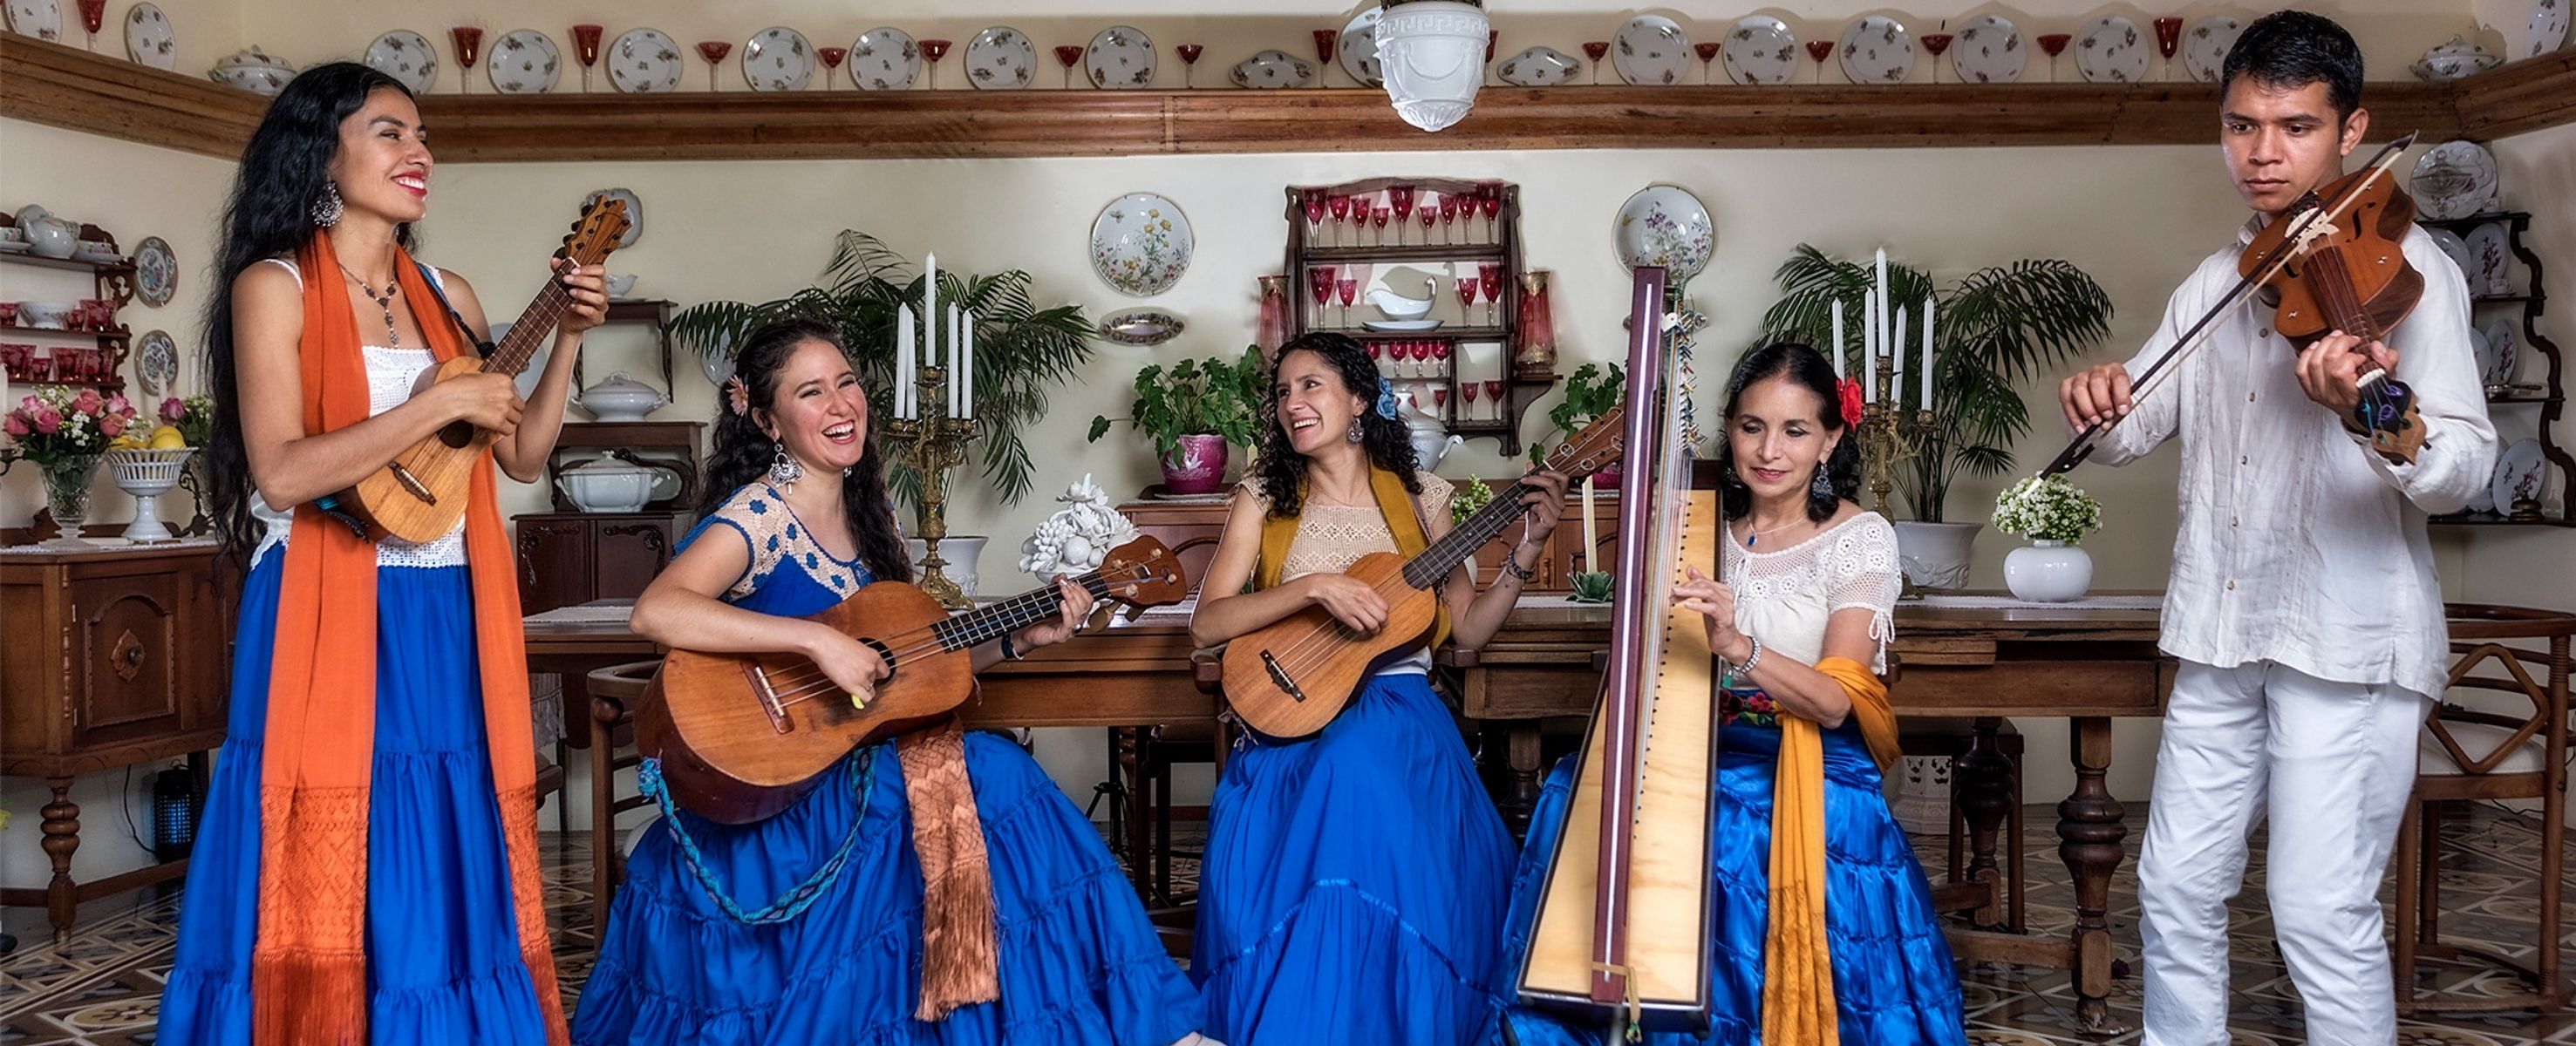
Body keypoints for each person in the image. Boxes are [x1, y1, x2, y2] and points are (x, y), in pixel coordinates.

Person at [572, 319, 1206, 1046]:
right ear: (766, 417)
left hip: (852, 764)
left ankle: (1119, 1014)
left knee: (995, 772)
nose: (842, 404)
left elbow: (909, 675)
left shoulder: (873, 523)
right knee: (996, 771)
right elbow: (658, 610)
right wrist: (813, 641)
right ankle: (1152, 1024)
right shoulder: (758, 514)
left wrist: (1021, 636)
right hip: (787, 790)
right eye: (812, 392)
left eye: (848, 383)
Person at [2054, 12, 2496, 1045]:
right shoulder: (2222, 279)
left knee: (2318, 913)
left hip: (2345, 644)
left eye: (2295, 127)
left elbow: (2465, 468)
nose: (2262, 153)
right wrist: (2102, 402)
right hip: (2218, 633)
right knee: (2171, 890)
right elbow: (2140, 427)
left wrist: (2368, 410)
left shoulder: (2412, 276)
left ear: (2353, 131)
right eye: (2242, 125)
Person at [160, 62, 607, 1043]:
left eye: (422, 136)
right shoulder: (271, 287)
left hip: (445, 600)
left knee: (445, 815)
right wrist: (437, 403)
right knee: (335, 814)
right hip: (326, 604)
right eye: (391, 133)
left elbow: (525, 457)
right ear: (322, 149)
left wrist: (567, 342)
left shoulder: (451, 295)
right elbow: (281, 472)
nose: (420, 154)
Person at [1492, 343, 1966, 1046]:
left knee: (1727, 822)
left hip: (1808, 755)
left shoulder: (1860, 540)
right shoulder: (1699, 527)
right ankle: (1602, 1011)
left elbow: (1837, 703)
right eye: (1751, 427)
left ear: (1831, 439)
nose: (1769, 450)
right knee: (1571, 788)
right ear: (1729, 430)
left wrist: (1739, 647)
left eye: (1795, 430)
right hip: (1707, 743)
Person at [1184, 332, 1564, 1045]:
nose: (1292, 403)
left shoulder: (1421, 499)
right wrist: (1313, 588)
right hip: (1292, 715)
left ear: (1359, 400)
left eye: (1311, 386)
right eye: (1283, 391)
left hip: (1398, 708)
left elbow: (1469, 633)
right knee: (1340, 763)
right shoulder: (1265, 496)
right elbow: (1207, 625)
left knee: (1360, 760)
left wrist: (1529, 548)